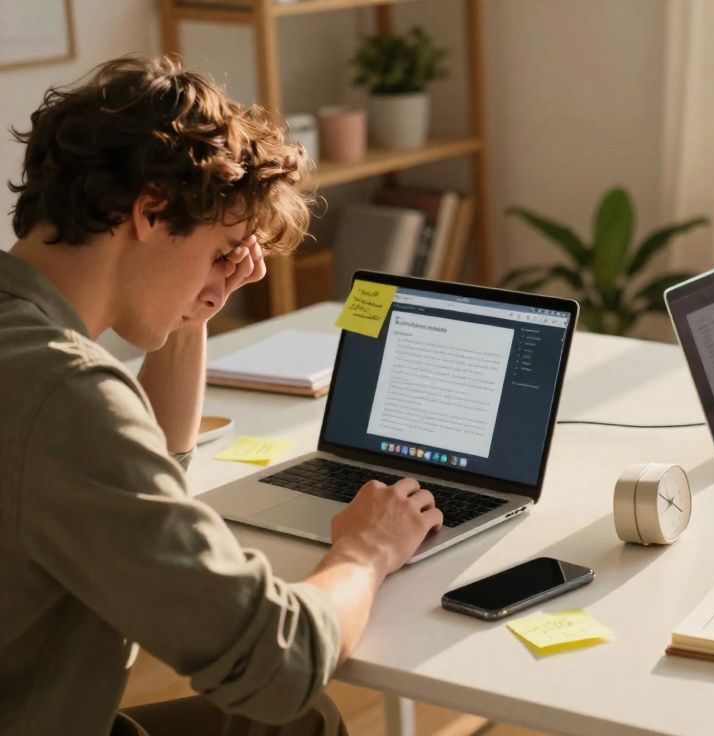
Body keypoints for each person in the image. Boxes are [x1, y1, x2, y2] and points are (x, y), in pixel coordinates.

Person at [0, 55, 444, 735]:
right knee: (299, 715)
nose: (228, 275)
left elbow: (142, 489)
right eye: (223, 249)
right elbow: (280, 663)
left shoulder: (27, 350)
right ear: (151, 210)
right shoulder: (67, 390)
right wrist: (367, 551)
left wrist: (191, 308)